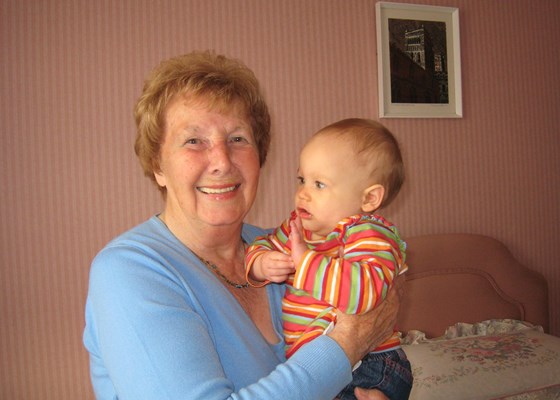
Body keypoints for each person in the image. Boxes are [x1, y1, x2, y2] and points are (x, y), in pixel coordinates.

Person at [82, 51, 401, 400]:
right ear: (158, 165)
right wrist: (349, 342)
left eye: (237, 139)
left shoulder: (279, 247)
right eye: (193, 141)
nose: (221, 161)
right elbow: (356, 332)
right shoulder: (129, 271)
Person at [245, 118, 413, 400]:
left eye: (319, 184)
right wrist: (262, 263)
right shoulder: (298, 228)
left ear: (369, 198)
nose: (303, 192)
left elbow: (365, 294)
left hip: (369, 366)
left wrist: (305, 262)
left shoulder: (369, 234)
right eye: (301, 179)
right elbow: (263, 244)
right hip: (322, 364)